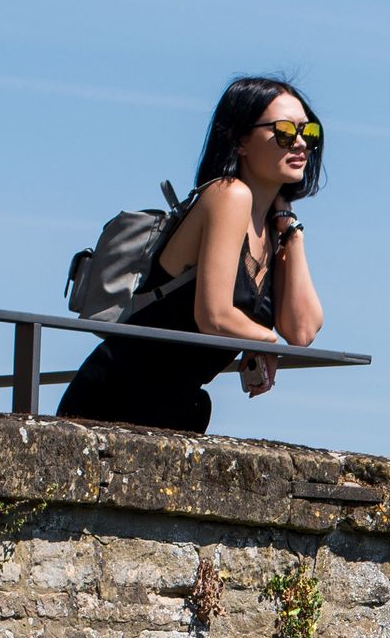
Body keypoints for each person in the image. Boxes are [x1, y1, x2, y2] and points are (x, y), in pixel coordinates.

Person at [60, 77, 324, 432]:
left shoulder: (272, 229)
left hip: (178, 405)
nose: (299, 142)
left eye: (308, 131)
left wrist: (290, 232)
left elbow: (303, 330)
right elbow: (213, 315)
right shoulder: (229, 195)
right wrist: (265, 340)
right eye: (284, 130)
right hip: (118, 394)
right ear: (240, 140)